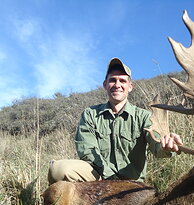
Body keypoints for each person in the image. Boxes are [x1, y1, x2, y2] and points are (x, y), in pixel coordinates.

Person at [48, 58, 183, 184]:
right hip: (99, 179)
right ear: (105, 85)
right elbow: (87, 152)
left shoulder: (144, 116)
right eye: (112, 80)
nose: (117, 85)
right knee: (58, 170)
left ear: (130, 86)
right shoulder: (90, 114)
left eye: (122, 81)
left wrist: (166, 146)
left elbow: (157, 146)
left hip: (131, 185)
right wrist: (110, 178)